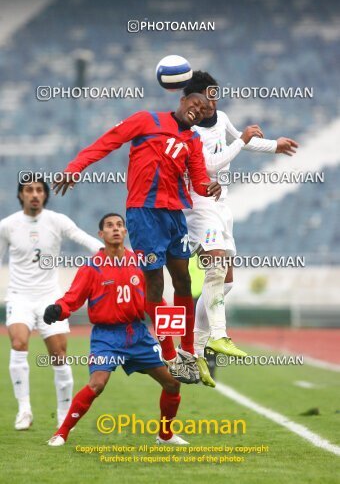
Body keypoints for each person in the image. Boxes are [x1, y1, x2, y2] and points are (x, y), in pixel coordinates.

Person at [52, 94, 221, 384]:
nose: (198, 112)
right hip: (144, 214)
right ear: (182, 101)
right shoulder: (147, 120)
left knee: (184, 281)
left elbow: (198, 179)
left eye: (204, 111)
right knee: (154, 283)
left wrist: (210, 187)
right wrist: (76, 167)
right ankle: (169, 352)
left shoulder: (193, 141)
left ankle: (187, 351)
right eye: (195, 105)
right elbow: (108, 141)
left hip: (174, 215)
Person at [183, 72, 299, 386]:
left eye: (215, 95)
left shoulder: (221, 118)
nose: (214, 101)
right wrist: (244, 140)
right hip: (197, 203)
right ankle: (218, 335)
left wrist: (274, 145)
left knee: (226, 281)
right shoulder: (189, 130)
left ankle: (195, 349)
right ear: (194, 100)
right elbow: (208, 166)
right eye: (208, 96)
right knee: (217, 264)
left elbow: (238, 141)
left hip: (221, 204)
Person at [45, 213, 187, 446]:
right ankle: (61, 433)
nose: (116, 229)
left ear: (125, 232)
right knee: (97, 384)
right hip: (106, 337)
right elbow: (72, 299)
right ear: (101, 234)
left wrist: (171, 338)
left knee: (172, 383)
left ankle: (165, 434)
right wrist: (57, 310)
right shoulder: (92, 267)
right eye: (110, 226)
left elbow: (156, 301)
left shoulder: (140, 264)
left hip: (137, 334)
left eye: (120, 225)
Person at [0, 174, 102, 429]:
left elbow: (83, 238)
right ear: (21, 195)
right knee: (19, 342)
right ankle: (24, 410)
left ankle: (64, 413)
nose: (34, 194)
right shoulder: (8, 225)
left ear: (45, 194)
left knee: (58, 355)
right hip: (19, 296)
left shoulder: (57, 221)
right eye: (28, 190)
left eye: (39, 190)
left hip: (49, 297)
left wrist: (105, 252)